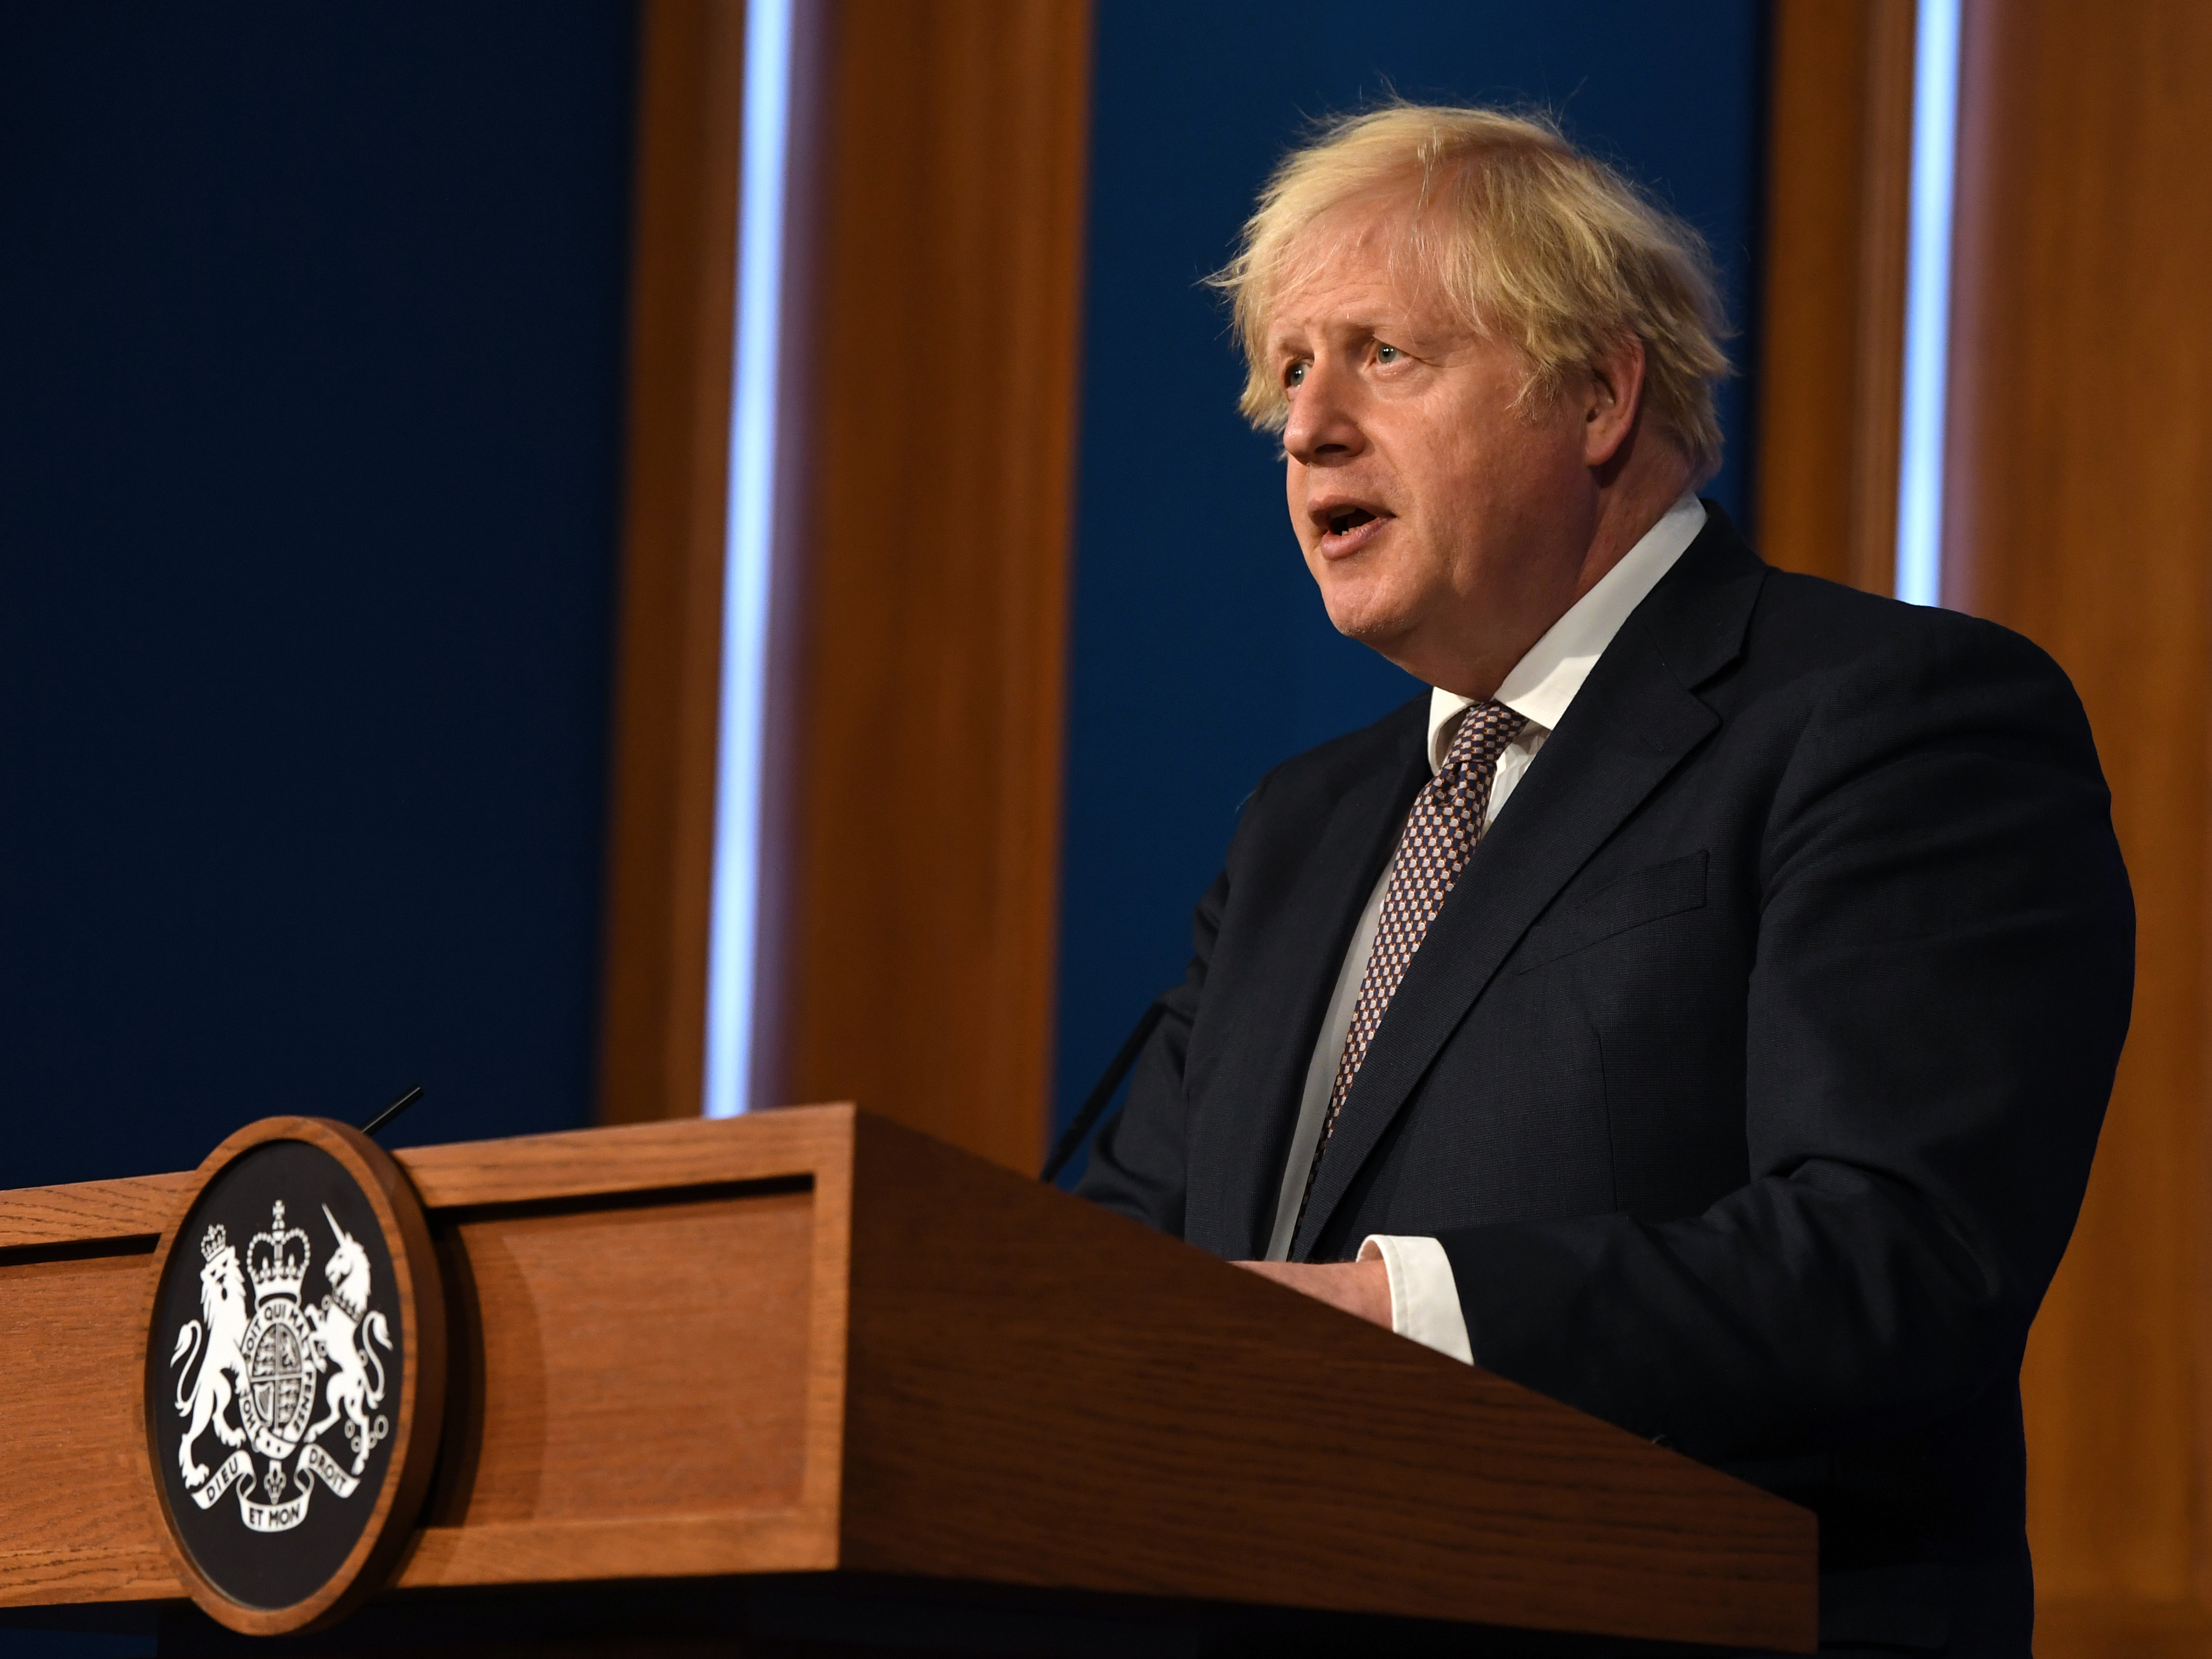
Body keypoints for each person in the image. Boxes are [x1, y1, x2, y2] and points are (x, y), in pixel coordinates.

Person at [1075, 105, 2133, 1657]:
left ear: (1594, 391)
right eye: (1289, 371)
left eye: (1384, 353)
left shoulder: (1891, 718)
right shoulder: (1300, 825)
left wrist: (1387, 1318)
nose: (1305, 426)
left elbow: (1898, 1260)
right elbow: (1112, 1268)